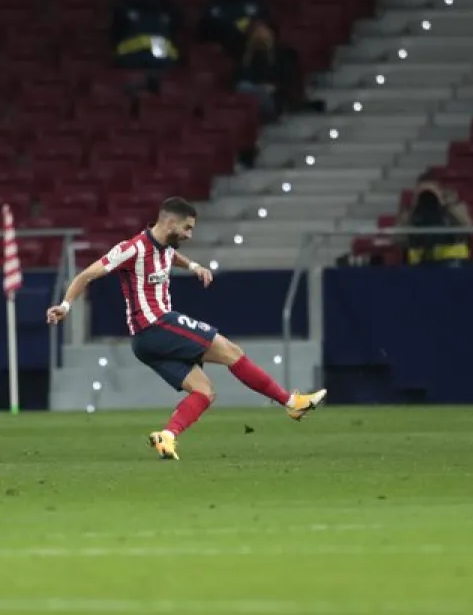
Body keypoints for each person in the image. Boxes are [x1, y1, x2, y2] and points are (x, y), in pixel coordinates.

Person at [45, 197, 327, 460]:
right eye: (187, 228)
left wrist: (193, 265)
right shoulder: (132, 248)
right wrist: (65, 306)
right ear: (169, 222)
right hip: (155, 325)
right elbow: (87, 274)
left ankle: (167, 437)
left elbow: (170, 258)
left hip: (146, 343)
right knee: (230, 350)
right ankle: (291, 402)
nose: (189, 235)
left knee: (205, 391)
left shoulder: (166, 249)